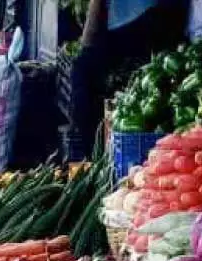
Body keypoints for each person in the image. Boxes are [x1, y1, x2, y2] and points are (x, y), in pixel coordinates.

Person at [70, 0, 188, 154]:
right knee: (84, 74)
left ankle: (90, 153)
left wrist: (87, 44)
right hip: (129, 29)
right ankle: (90, 154)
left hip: (151, 24)